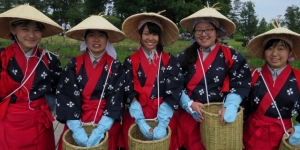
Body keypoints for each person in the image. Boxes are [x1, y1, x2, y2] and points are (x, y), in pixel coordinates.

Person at [177, 3, 251, 149]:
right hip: (191, 116)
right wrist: (188, 103)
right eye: (199, 30)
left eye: (209, 29)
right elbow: (173, 83)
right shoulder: (183, 56)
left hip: (219, 116)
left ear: (217, 32)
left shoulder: (231, 56)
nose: (203, 34)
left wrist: (230, 105)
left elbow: (241, 82)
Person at [55, 14, 125, 150]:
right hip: (77, 121)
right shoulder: (74, 64)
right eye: (91, 35)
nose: (96, 39)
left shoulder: (115, 66)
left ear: (107, 39)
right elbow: (66, 95)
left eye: (101, 35)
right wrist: (76, 128)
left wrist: (102, 127)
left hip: (106, 123)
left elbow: (117, 98)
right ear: (85, 38)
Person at [0, 4, 63, 150]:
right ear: (12, 29)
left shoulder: (50, 60)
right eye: (25, 29)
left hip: (39, 123)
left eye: (37, 30)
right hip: (9, 121)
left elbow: (57, 90)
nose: (31, 35)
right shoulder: (2, 57)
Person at [120, 11, 184, 150]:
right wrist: (140, 118)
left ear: (160, 37)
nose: (150, 38)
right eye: (146, 33)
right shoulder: (130, 61)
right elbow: (128, 88)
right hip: (136, 113)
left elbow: (175, 86)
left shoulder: (169, 60)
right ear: (140, 35)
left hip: (163, 114)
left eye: (154, 34)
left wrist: (163, 119)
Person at [243, 20, 300, 149]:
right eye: (269, 48)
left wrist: (299, 129)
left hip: (283, 136)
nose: (274, 54)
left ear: (290, 52)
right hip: (250, 134)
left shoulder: (299, 78)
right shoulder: (253, 75)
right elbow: (242, 107)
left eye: (281, 49)